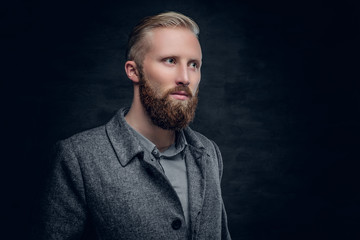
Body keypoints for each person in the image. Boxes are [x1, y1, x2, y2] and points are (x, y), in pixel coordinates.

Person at [38, 11, 231, 240]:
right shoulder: (77, 158)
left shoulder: (209, 152)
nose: (185, 78)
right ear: (133, 70)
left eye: (194, 64)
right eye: (170, 60)